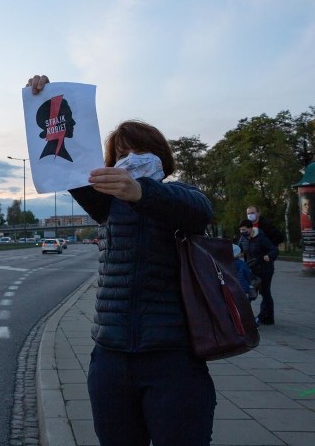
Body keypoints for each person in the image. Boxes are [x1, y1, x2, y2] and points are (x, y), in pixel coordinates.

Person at [26, 75, 217, 446]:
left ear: (162, 157)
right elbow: (66, 162)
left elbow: (200, 211)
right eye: (122, 153)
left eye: (140, 150)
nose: (132, 159)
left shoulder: (181, 196)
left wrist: (142, 192)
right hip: (111, 359)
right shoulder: (107, 206)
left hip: (173, 360)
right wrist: (46, 99)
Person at [237, 218, 278, 325]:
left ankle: (266, 317)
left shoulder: (261, 238)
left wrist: (269, 256)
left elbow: (274, 249)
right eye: (241, 230)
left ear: (251, 228)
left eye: (244, 230)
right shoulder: (243, 239)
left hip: (265, 269)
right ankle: (246, 316)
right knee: (249, 292)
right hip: (251, 269)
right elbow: (238, 249)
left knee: (265, 292)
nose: (242, 232)